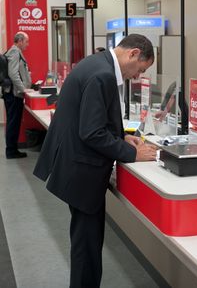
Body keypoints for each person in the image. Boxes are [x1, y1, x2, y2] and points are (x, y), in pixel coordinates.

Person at [33, 33, 157, 288]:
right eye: (140, 70)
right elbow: (91, 132)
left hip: (73, 164)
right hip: (81, 170)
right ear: (133, 53)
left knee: (85, 243)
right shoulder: (103, 75)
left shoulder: (95, 63)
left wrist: (122, 137)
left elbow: (90, 117)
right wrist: (132, 153)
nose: (137, 77)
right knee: (87, 248)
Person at [2, 32, 31, 159]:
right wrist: (23, 89)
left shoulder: (12, 51)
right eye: (26, 41)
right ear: (19, 41)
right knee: (14, 122)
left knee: (12, 122)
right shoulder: (15, 52)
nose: (27, 44)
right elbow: (13, 74)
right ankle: (11, 151)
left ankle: (12, 149)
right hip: (14, 94)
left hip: (11, 93)